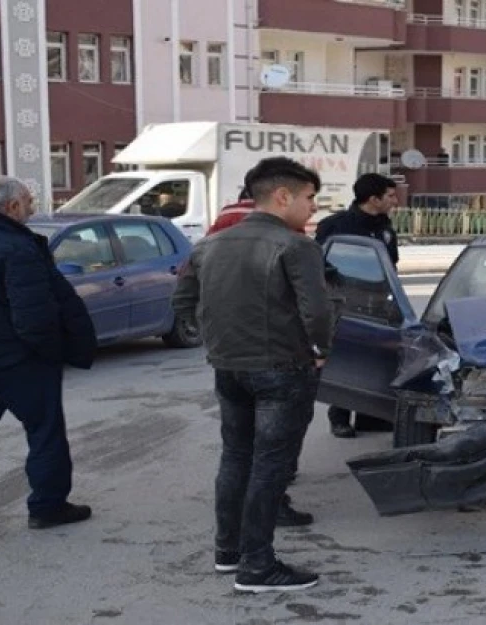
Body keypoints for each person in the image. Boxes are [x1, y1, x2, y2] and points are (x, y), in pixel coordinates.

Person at [173, 157, 332, 593]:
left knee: (236, 457)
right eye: (309, 198)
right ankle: (258, 565)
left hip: (229, 367)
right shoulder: (297, 245)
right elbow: (317, 311)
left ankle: (229, 553)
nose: (312, 209)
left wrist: (217, 344)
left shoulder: (209, 245)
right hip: (282, 369)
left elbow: (182, 302)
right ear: (282, 196)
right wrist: (320, 351)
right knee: (270, 465)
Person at [0, 176, 97, 529]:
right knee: (45, 432)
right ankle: (48, 506)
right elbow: (35, 317)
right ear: (12, 207)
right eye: (29, 202)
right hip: (19, 361)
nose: (32, 208)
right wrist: (51, 352)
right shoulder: (17, 248)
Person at [205, 180, 314, 529]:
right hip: (277, 356)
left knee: (236, 450)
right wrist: (319, 347)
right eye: (308, 199)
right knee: (274, 450)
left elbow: (188, 289)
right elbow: (313, 301)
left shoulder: (219, 228)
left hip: (229, 353)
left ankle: (230, 541)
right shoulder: (289, 234)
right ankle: (264, 535)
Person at [314, 173, 399, 438]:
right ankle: (339, 416)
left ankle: (370, 416)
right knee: (346, 358)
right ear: (373, 199)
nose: (395, 201)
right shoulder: (335, 226)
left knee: (376, 356)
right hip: (345, 303)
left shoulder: (384, 225)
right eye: (391, 195)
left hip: (379, 301)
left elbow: (390, 264)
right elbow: (320, 264)